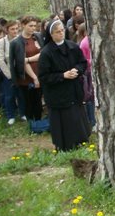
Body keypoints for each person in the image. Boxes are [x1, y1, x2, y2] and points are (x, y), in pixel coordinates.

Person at [38, 19, 91, 151]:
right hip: (57, 93)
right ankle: (64, 145)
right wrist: (62, 75)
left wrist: (76, 71)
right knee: (63, 120)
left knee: (76, 116)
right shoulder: (46, 53)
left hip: (73, 89)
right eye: (57, 32)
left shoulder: (72, 46)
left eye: (62, 31)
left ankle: (81, 141)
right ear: (51, 34)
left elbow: (82, 63)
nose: (61, 34)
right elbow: (44, 76)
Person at [9, 16, 44, 121]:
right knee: (28, 101)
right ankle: (31, 123)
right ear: (23, 25)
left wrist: (29, 59)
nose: (33, 28)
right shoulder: (16, 42)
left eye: (35, 26)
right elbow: (20, 61)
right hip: (26, 77)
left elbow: (43, 53)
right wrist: (34, 77)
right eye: (30, 26)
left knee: (38, 99)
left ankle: (38, 122)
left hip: (40, 73)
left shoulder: (37, 37)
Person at [0, 21, 23, 125]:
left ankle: (22, 113)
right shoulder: (2, 42)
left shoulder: (20, 40)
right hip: (7, 73)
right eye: (12, 29)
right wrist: (9, 75)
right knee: (9, 96)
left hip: (20, 72)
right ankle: (10, 115)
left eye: (16, 28)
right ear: (7, 30)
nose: (15, 31)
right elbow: (0, 60)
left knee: (21, 94)